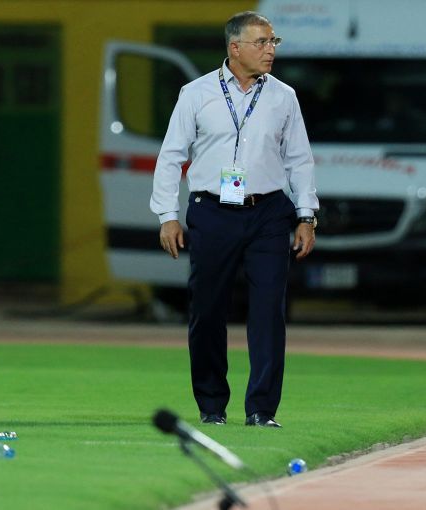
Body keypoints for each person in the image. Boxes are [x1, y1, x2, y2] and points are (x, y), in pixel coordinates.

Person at [150, 11, 318, 428]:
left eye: (273, 42)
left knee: (269, 311)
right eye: (262, 42)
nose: (270, 50)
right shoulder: (196, 93)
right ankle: (211, 405)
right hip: (212, 211)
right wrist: (168, 215)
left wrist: (306, 214)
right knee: (207, 310)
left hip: (268, 212)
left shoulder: (284, 96)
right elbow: (171, 157)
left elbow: (299, 159)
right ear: (235, 48)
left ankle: (261, 409)